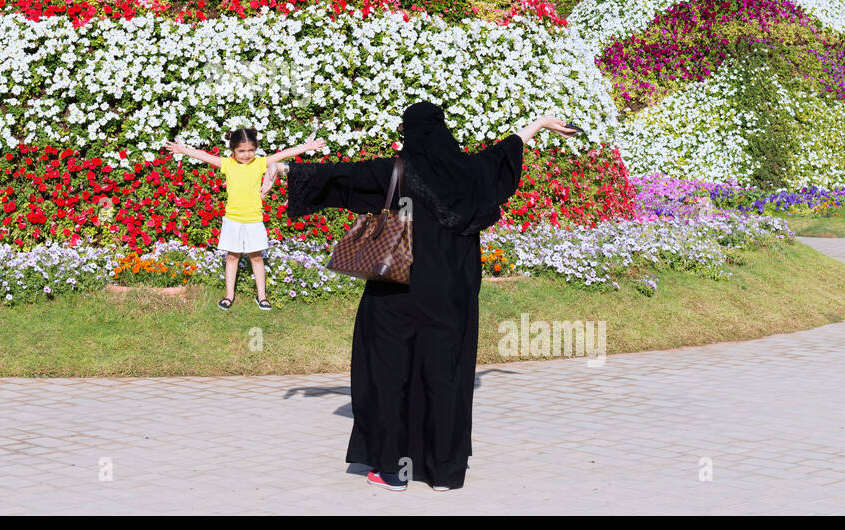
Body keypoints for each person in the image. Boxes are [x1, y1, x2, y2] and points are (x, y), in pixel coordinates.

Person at [283, 101, 579, 491]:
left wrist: (281, 167)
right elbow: (503, 153)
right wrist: (538, 125)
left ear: (410, 132)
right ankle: (443, 472)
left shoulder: (396, 171)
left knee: (389, 374)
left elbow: (340, 176)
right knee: (446, 375)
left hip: (396, 294)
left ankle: (391, 470)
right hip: (450, 299)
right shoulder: (472, 173)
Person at [165, 129, 325, 310]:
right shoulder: (228, 164)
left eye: (251, 150)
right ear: (233, 151)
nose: (247, 155)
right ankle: (229, 295)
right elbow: (203, 156)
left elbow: (283, 154)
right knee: (232, 257)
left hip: (254, 220)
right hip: (232, 220)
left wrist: (308, 146)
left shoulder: (259, 164)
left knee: (256, 258)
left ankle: (262, 297)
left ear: (256, 149)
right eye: (241, 151)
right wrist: (182, 149)